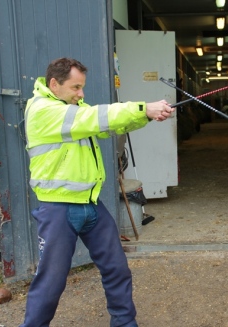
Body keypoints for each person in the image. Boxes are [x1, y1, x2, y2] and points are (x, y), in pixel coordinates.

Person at [21, 57, 174, 327]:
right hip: (58, 209)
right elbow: (94, 117)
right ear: (54, 84)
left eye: (82, 88)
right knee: (51, 283)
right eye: (75, 87)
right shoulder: (43, 110)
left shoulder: (71, 107)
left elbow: (107, 126)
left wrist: (145, 117)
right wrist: (143, 108)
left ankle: (125, 323)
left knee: (117, 269)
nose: (81, 94)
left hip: (90, 205)